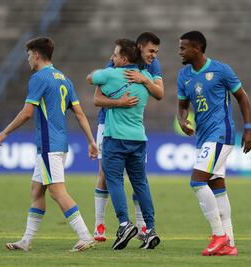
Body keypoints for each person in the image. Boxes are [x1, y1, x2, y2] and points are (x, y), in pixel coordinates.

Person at [0, 37, 98, 252]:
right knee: (37, 191)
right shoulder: (64, 79)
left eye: (28, 55)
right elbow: (79, 113)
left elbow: (27, 112)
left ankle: (85, 235)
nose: (27, 60)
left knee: (56, 191)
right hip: (57, 144)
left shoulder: (39, 78)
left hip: (49, 144)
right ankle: (25, 241)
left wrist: (5, 132)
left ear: (36, 54)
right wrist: (91, 141)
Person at [177, 31, 251, 256]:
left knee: (197, 181)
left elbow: (243, 97)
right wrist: (183, 120)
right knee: (217, 187)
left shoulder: (221, 70)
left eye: (183, 48)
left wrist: (248, 129)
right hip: (202, 137)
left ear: (197, 49)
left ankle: (218, 235)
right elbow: (182, 105)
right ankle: (229, 243)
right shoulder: (184, 75)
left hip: (221, 134)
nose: (179, 51)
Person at [87, 39, 161, 250]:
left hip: (115, 137)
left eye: (115, 55)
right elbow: (159, 93)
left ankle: (124, 224)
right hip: (138, 138)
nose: (112, 58)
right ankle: (150, 229)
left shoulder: (110, 74)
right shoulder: (146, 77)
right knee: (140, 183)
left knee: (114, 180)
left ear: (124, 58)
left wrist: (104, 74)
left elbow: (90, 78)